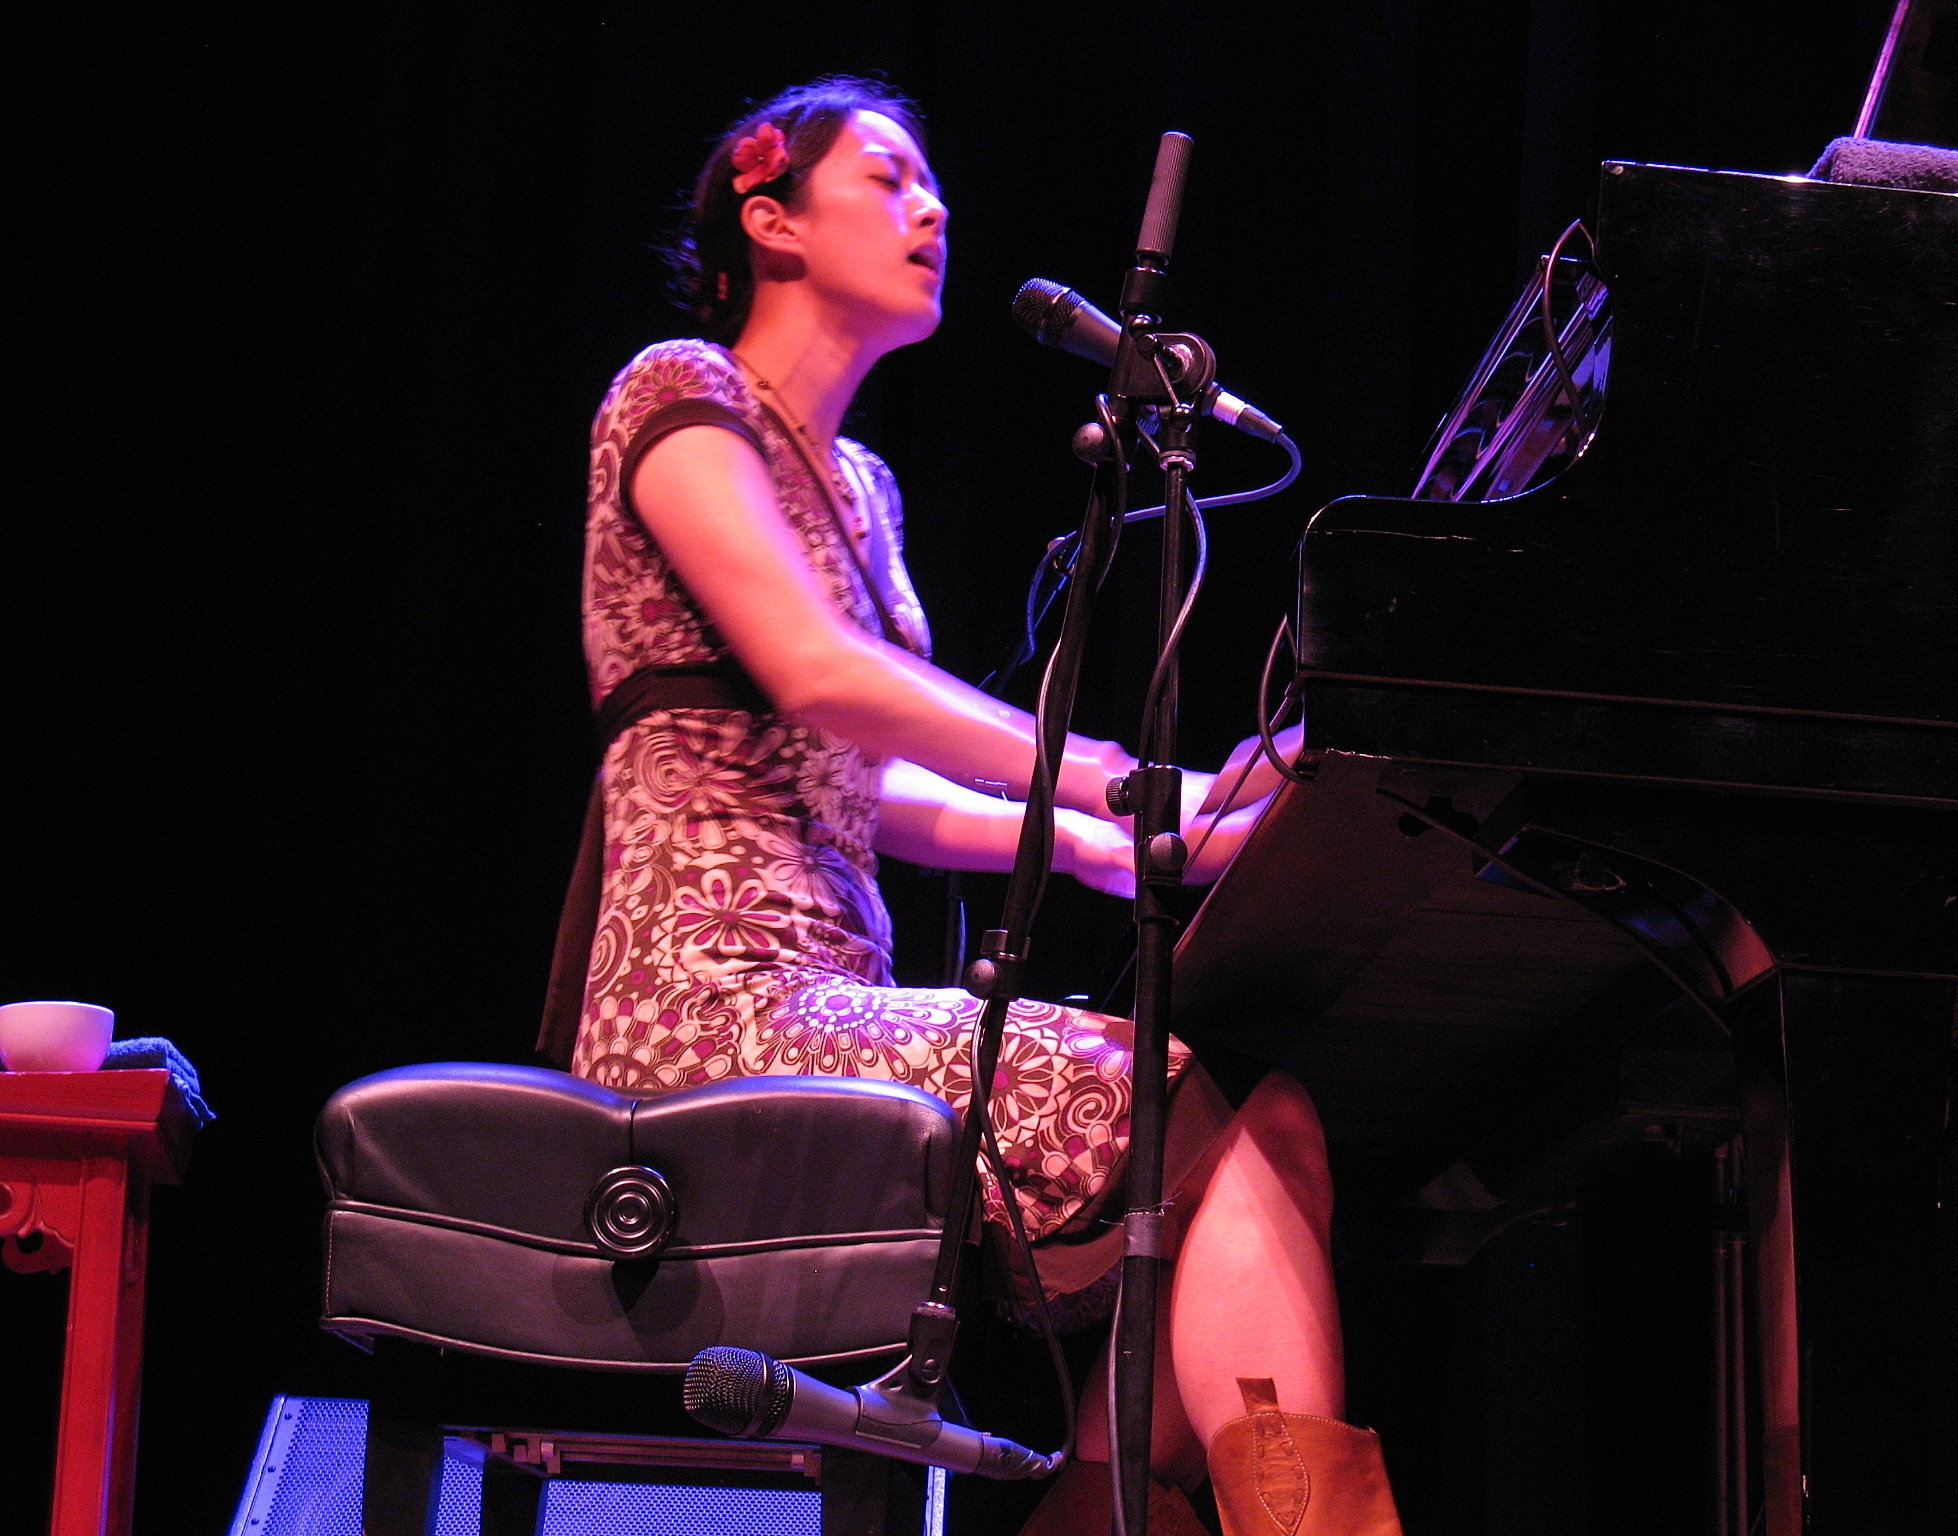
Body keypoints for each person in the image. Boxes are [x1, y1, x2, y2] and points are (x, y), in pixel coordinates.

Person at [541, 76, 1401, 1536]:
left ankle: (1106, 1506)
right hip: (705, 1017)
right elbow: (825, 680)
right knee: (1190, 1113)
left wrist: (1120, 843)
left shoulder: (863, 488)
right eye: (886, 179)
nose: (931, 207)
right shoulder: (678, 393)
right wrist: (1132, 783)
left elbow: (872, 798)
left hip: (827, 996)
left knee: (1274, 1124)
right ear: (771, 219)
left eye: (930, 182)